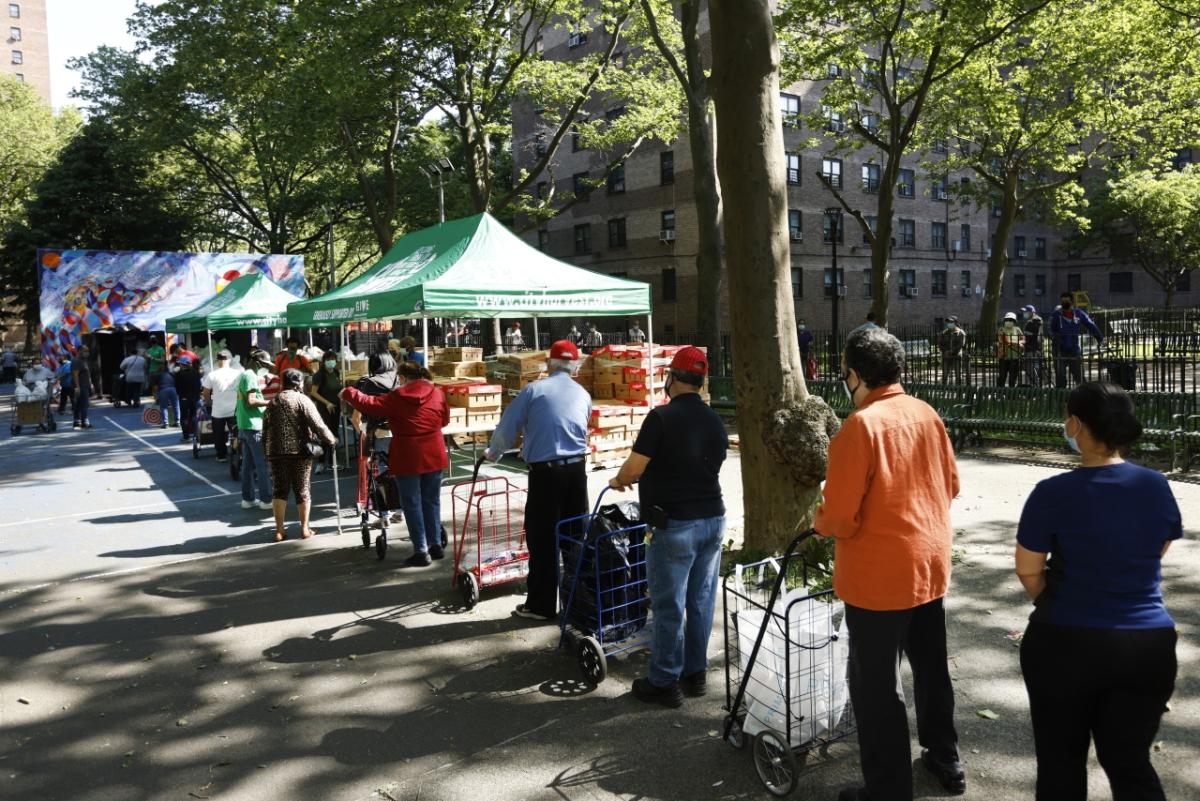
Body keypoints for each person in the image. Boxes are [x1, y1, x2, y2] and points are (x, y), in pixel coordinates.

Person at [814, 326, 964, 801]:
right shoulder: (926, 413)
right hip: (930, 565)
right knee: (931, 667)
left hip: (879, 576)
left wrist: (819, 521)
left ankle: (888, 787)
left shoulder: (859, 427)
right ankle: (945, 758)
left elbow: (838, 517)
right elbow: (952, 486)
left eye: (844, 372)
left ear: (855, 375)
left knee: (876, 685)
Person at [1015, 382, 1180, 801]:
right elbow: (1157, 549)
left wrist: (1054, 601)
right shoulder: (1155, 485)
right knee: (1130, 764)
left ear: (1076, 424)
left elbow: (1028, 570)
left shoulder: (1050, 493)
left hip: (1064, 644)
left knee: (1060, 765)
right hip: (1148, 646)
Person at [608, 346, 727, 707]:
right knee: (702, 600)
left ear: (671, 378)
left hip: (675, 523)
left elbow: (633, 468)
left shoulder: (660, 418)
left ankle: (663, 681)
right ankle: (695, 673)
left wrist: (618, 480)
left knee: (668, 604)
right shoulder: (714, 418)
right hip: (712, 518)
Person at [485, 339, 591, 620]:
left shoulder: (534, 390)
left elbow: (509, 426)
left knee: (543, 538)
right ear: (575, 365)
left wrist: (493, 453)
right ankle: (579, 603)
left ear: (548, 363)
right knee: (574, 537)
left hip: (547, 474)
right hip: (577, 470)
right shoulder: (582, 393)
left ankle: (542, 605)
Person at [341, 361, 450, 565]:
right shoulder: (437, 393)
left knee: (412, 503)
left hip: (408, 454)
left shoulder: (397, 397)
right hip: (434, 451)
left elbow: (369, 404)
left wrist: (349, 392)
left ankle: (421, 550)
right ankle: (435, 545)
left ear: (403, 377)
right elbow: (444, 421)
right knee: (432, 500)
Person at [262, 369, 337, 541]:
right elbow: (318, 424)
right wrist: (331, 440)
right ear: (299, 383)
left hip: (276, 452)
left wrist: (266, 452)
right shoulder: (302, 399)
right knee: (302, 490)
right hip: (300, 452)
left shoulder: (272, 402)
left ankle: (279, 531)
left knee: (279, 490)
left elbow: (265, 430)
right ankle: (304, 529)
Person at [353, 353, 400, 514]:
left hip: (380, 432)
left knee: (383, 471)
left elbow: (363, 411)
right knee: (400, 469)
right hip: (401, 431)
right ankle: (401, 510)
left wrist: (364, 430)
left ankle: (385, 512)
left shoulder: (371, 382)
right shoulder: (398, 379)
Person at [236, 349, 274, 511]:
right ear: (259, 362)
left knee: (248, 465)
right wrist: (270, 403)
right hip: (254, 426)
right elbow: (251, 401)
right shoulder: (251, 376)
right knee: (262, 464)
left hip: (245, 424)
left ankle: (248, 499)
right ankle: (266, 499)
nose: (267, 368)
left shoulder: (245, 374)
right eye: (266, 365)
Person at [1049, 292, 1103, 388]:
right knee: (1060, 376)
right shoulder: (1056, 315)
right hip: (1060, 349)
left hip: (1074, 349)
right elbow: (1051, 330)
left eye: (1067, 301)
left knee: (1079, 376)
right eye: (1062, 301)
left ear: (1072, 302)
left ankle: (1083, 395)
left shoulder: (1078, 313)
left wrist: (1099, 338)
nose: (1064, 303)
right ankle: (1061, 396)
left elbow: (1091, 325)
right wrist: (1055, 338)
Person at [202, 350, 241, 462]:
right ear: (229, 360)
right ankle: (235, 450)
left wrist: (208, 402)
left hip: (218, 410)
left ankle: (221, 455)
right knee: (236, 433)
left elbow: (206, 392)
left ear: (218, 361)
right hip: (234, 409)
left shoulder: (212, 375)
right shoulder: (238, 374)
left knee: (218, 434)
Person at [309, 352, 342, 474]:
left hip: (336, 407)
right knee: (325, 434)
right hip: (324, 408)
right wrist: (327, 403)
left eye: (333, 359)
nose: (331, 361)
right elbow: (313, 392)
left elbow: (338, 388)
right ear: (324, 361)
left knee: (335, 433)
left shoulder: (336, 372)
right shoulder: (319, 375)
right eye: (329, 359)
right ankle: (321, 463)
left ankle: (334, 462)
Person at [176, 356, 202, 442]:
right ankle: (196, 434)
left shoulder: (179, 374)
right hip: (194, 398)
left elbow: (177, 387)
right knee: (194, 416)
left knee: (184, 417)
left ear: (182, 364)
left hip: (184, 398)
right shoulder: (195, 373)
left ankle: (186, 436)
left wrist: (181, 394)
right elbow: (199, 386)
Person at [938, 315, 969, 385]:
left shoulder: (961, 333)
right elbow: (940, 343)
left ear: (955, 322)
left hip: (956, 356)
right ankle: (944, 389)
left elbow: (961, 345)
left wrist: (952, 351)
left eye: (951, 322)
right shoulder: (944, 333)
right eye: (948, 322)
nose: (949, 324)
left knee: (958, 374)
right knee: (945, 374)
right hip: (946, 356)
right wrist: (945, 351)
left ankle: (958, 390)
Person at [997, 312, 1025, 387]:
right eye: (1007, 319)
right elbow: (1005, 342)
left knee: (1013, 378)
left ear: (1014, 321)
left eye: (1011, 320)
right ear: (1004, 320)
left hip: (1015, 357)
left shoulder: (1017, 329)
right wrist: (1018, 344)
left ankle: (1011, 394)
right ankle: (1000, 393)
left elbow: (1023, 339)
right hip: (1004, 357)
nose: (1009, 321)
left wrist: (1020, 342)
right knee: (1002, 377)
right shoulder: (1001, 330)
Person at [71, 346, 94, 429]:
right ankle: (84, 421)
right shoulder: (76, 361)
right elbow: (75, 375)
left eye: (88, 351)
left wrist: (91, 384)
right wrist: (77, 387)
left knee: (80, 404)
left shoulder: (84, 361)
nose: (87, 353)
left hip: (86, 385)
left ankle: (77, 421)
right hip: (81, 386)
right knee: (84, 404)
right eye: (85, 351)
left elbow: (88, 373)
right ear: (79, 351)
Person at [1022, 305, 1044, 388]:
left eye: (1026, 312)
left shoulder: (1030, 323)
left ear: (1032, 312)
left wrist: (1021, 342)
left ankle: (1034, 387)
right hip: (1038, 349)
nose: (1024, 313)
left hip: (1030, 349)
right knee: (1036, 369)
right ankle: (1036, 386)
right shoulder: (1039, 321)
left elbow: (1027, 338)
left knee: (1030, 370)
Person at [155, 362, 180, 428]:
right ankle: (177, 422)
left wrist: (157, 397)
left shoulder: (158, 374)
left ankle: (166, 423)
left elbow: (156, 387)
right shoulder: (171, 374)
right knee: (176, 406)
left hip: (163, 389)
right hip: (173, 389)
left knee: (164, 407)